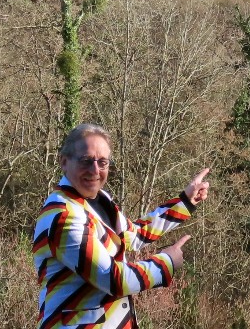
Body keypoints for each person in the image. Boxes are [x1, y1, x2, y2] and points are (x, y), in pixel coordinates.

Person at [33, 123, 209, 329]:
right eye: (86, 161)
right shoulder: (63, 216)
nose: (95, 170)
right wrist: (166, 262)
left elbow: (134, 235)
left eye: (103, 162)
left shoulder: (98, 199)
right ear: (64, 162)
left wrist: (185, 202)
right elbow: (114, 279)